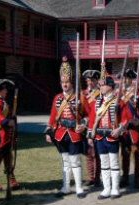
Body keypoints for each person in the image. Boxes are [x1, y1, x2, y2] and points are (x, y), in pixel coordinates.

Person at [44, 57, 90, 199]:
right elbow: (53, 116)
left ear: (71, 82)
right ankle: (65, 187)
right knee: (65, 162)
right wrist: (48, 131)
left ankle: (79, 187)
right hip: (60, 133)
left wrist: (83, 125)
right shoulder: (57, 98)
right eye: (63, 82)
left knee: (75, 161)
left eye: (67, 82)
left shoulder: (79, 97)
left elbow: (89, 115)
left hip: (74, 133)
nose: (65, 84)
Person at [87, 76, 129, 200]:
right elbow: (91, 120)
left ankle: (115, 188)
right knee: (104, 164)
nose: (101, 87)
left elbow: (125, 119)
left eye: (103, 85)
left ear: (110, 87)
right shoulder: (97, 102)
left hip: (112, 136)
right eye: (100, 85)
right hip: (100, 136)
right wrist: (90, 136)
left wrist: (119, 129)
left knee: (114, 163)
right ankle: (106, 188)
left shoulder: (119, 102)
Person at [117, 69, 139, 188]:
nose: (124, 80)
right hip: (123, 129)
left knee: (137, 153)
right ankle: (125, 177)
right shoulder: (118, 95)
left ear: (131, 79)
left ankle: (137, 178)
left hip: (135, 129)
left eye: (126, 78)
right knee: (124, 154)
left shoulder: (138, 93)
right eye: (122, 78)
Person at [0, 79, 20, 192]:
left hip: (6, 136)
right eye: (5, 89)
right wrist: (7, 121)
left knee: (8, 159)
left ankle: (12, 181)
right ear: (0, 90)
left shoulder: (2, 101)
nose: (6, 91)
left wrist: (12, 119)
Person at [81, 70, 101, 187]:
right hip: (85, 126)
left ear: (96, 81)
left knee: (97, 153)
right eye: (88, 80)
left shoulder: (100, 94)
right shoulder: (83, 93)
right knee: (88, 152)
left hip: (96, 125)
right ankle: (90, 177)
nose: (90, 83)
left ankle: (97, 177)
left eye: (92, 80)